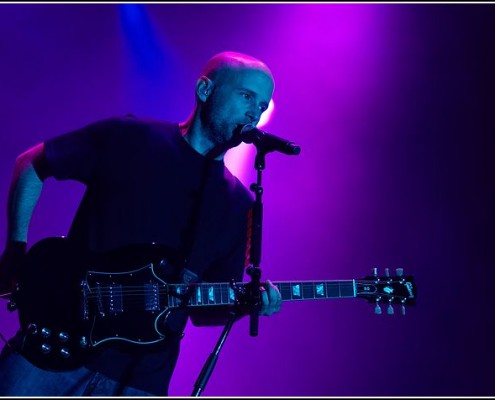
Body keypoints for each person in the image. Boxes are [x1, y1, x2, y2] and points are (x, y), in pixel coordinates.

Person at [0, 51, 282, 396]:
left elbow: (205, 311)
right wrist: (15, 252)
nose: (255, 111)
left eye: (263, 103)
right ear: (205, 90)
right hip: (56, 346)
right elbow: (31, 165)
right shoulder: (130, 137)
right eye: (246, 96)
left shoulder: (239, 204)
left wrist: (248, 305)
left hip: (140, 381)